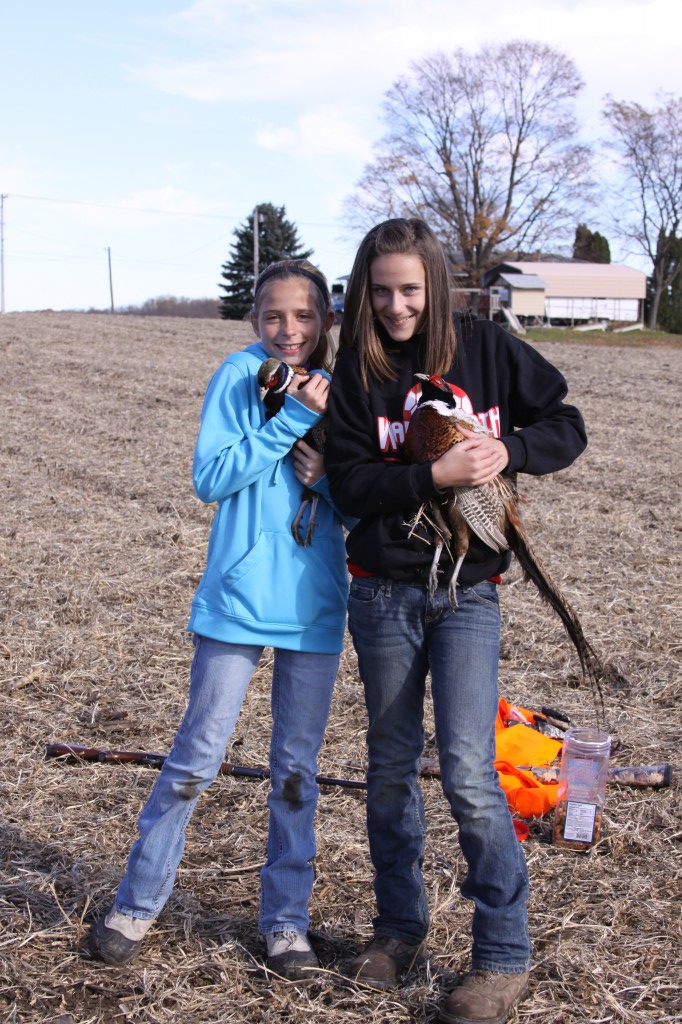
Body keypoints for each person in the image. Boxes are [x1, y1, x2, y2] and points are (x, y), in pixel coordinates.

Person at [324, 218, 587, 1024]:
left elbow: (566, 424)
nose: (397, 305)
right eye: (381, 290)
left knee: (471, 772)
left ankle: (502, 953)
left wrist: (511, 453)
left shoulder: (485, 348)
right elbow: (347, 486)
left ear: (435, 284)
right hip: (380, 594)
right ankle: (398, 931)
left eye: (410, 288)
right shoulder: (359, 370)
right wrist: (431, 473)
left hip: (469, 595)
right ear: (364, 291)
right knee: (393, 769)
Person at [88, 258, 351, 981]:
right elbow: (212, 476)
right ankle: (138, 902)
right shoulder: (239, 377)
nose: (288, 330)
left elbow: (365, 503)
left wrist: (329, 477)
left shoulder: (348, 388)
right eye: (274, 316)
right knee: (195, 759)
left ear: (326, 318)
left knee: (296, 772)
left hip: (314, 607)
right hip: (236, 603)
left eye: (304, 316)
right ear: (254, 318)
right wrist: (296, 419)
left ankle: (286, 923)